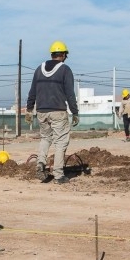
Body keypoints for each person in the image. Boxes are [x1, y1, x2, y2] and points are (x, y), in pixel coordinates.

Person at [25, 41, 80, 184]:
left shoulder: (39, 69)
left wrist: (29, 110)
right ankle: (58, 175)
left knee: (45, 138)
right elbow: (70, 94)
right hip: (58, 111)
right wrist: (75, 112)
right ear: (64, 55)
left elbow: (32, 91)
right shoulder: (65, 69)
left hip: (41, 111)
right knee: (61, 141)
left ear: (52, 54)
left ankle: (41, 162)